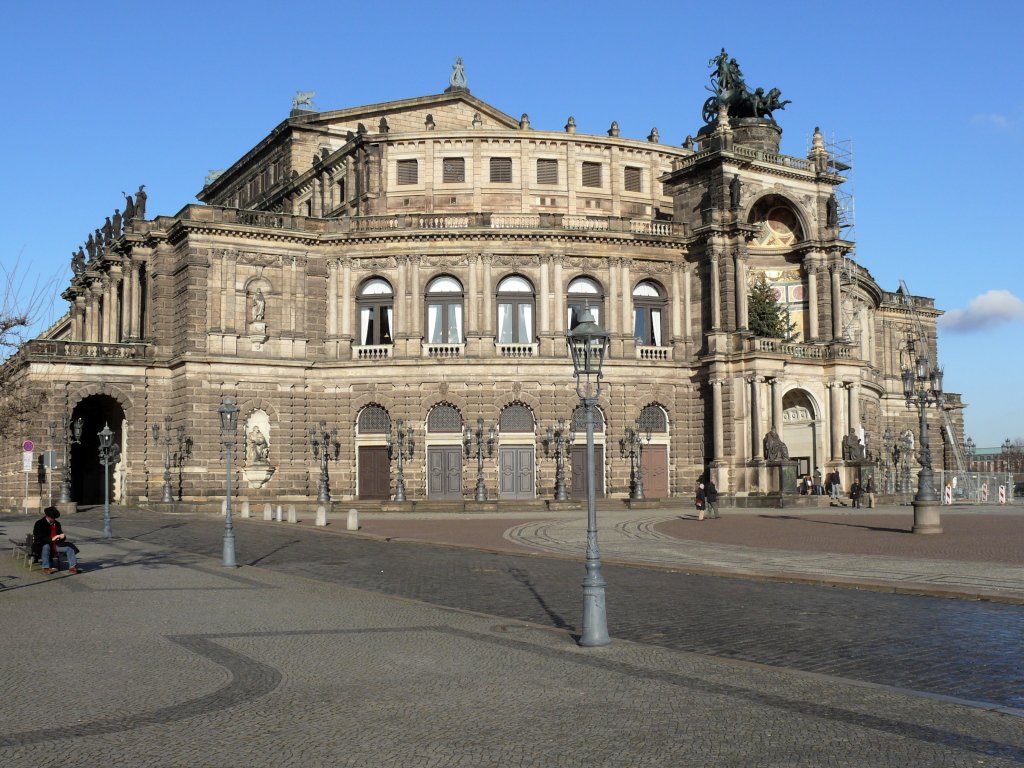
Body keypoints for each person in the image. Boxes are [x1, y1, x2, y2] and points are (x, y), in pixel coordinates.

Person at [32, 507, 80, 574]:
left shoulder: (57, 524)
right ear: (47, 516)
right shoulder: (39, 523)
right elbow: (38, 536)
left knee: (69, 548)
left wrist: (62, 536)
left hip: (56, 545)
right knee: (46, 546)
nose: (53, 519)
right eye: (52, 518)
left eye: (54, 518)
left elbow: (60, 534)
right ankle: (46, 567)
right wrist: (51, 539)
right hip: (42, 544)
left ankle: (73, 567)